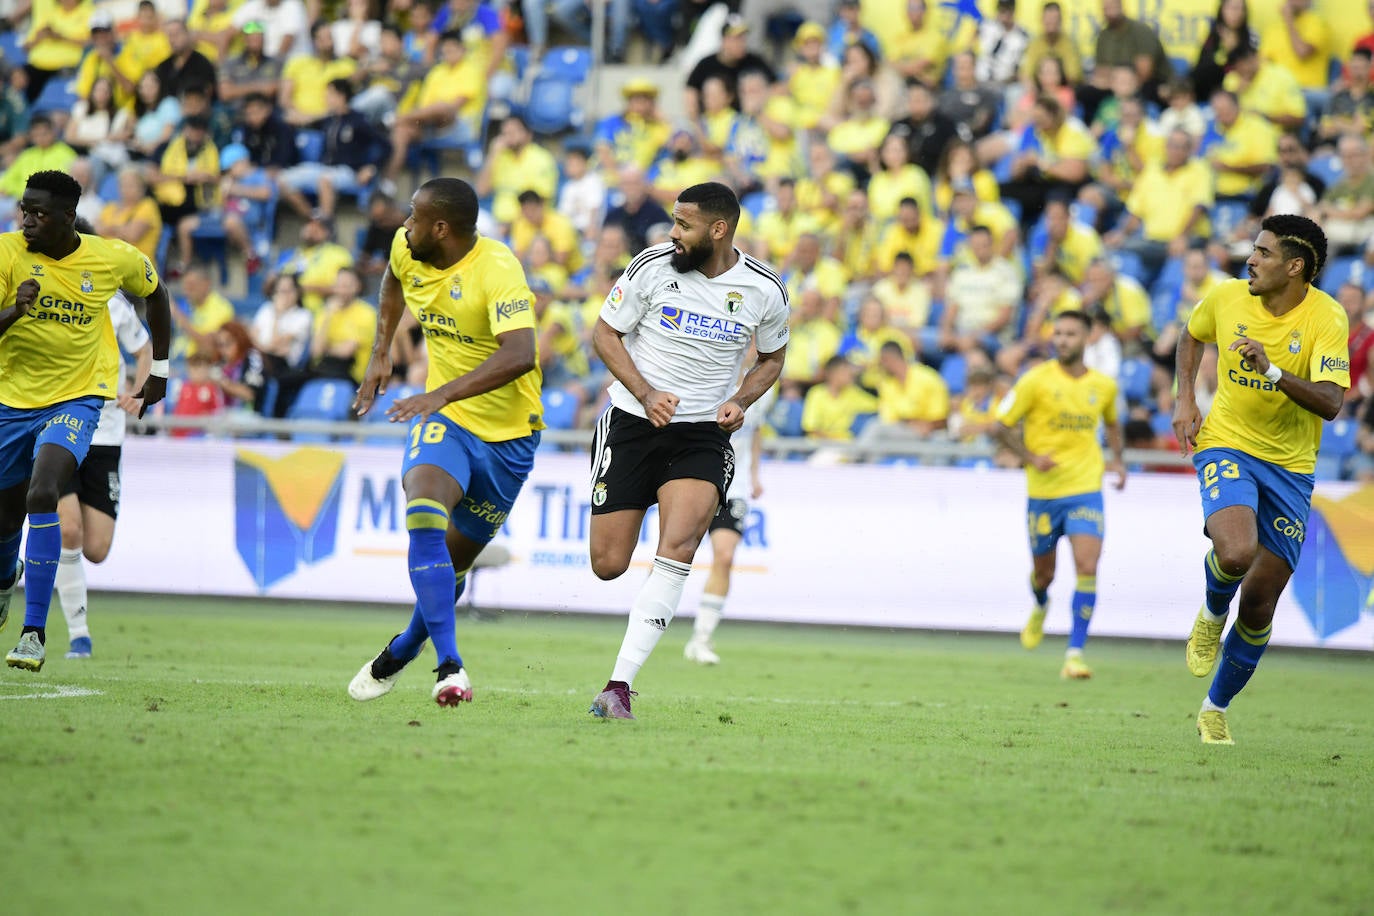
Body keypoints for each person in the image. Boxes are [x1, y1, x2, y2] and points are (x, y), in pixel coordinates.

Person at [586, 181, 788, 720]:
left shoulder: (765, 289)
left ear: (718, 230)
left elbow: (772, 358)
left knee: (679, 545)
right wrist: (647, 392)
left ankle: (618, 686)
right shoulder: (651, 266)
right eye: (674, 222)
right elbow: (605, 334)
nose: (673, 233)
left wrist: (741, 398)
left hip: (701, 434)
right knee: (607, 564)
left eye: (684, 224)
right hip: (632, 422)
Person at [348, 177, 542, 708]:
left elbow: (521, 352)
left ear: (441, 228)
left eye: (414, 217)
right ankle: (449, 666)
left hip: (508, 437)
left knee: (452, 570)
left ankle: (405, 645)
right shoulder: (406, 248)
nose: (404, 226)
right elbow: (391, 280)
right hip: (446, 421)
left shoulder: (497, 269)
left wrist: (440, 392)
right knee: (424, 516)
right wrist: (380, 349)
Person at [1173, 214, 1350, 745]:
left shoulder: (1327, 318)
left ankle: (1214, 709)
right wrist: (1185, 399)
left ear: (1295, 267)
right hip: (1228, 441)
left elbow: (1332, 401)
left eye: (1264, 252)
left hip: (1291, 469)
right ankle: (1209, 613)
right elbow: (1191, 334)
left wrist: (1273, 371)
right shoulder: (1228, 297)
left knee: (1260, 601)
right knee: (1234, 554)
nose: (1251, 259)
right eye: (1253, 249)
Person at [1, 170, 171, 671]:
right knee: (8, 517)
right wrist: (14, 309)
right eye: (23, 211)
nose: (28, 220)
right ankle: (5, 577)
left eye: (39, 213)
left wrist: (158, 370)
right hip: (11, 401)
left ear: (68, 216)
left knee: (42, 493)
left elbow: (156, 292)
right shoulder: (7, 252)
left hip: (77, 399)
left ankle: (34, 634)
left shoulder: (110, 257)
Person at [995, 310, 1127, 680]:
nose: (1063, 340)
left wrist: (1117, 460)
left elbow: (1113, 424)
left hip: (1085, 489)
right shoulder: (1034, 381)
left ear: (1087, 338)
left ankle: (1075, 653)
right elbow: (1001, 427)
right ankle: (1040, 604)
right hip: (1043, 493)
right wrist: (1030, 457)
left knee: (1087, 567)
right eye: (1059, 334)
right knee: (1044, 574)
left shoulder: (1103, 386)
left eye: (1071, 334)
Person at [51, 216, 153, 659]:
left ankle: (18, 557)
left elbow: (145, 347)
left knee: (96, 548)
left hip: (107, 433)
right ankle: (79, 635)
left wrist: (142, 392)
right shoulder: (48, 299)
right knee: (68, 530)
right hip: (59, 423)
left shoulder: (113, 303)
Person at [683, 359, 772, 666]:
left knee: (724, 556)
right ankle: (648, 622)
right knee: (672, 553)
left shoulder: (763, 383)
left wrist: (755, 473)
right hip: (695, 478)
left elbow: (757, 429)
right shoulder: (708, 373)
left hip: (735, 485)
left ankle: (701, 639)